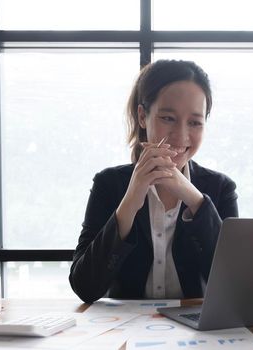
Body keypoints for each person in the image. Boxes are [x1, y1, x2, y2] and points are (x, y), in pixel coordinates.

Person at [69, 59, 238, 303]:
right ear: (141, 116)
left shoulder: (220, 188)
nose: (181, 135)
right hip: (125, 331)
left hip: (195, 334)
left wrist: (193, 198)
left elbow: (235, 284)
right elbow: (85, 287)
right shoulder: (109, 184)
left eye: (195, 122)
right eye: (168, 118)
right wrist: (130, 202)